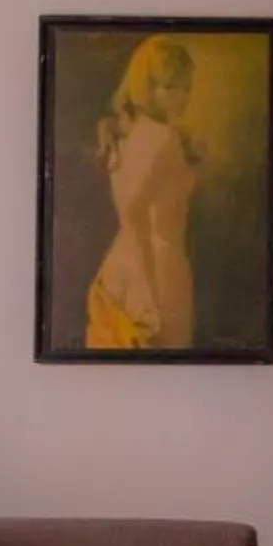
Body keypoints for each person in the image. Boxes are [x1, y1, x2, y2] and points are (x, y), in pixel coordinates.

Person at [86, 35, 204, 350]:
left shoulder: (128, 132)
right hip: (156, 273)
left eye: (186, 87)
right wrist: (147, 291)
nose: (183, 96)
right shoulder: (163, 139)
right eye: (172, 86)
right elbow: (132, 212)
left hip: (121, 266)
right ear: (147, 87)